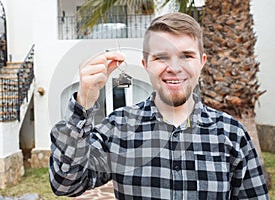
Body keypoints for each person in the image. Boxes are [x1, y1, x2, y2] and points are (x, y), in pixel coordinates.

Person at [49, 12, 269, 199]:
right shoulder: (119, 127)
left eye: (186, 56)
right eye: (161, 57)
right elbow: (66, 183)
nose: (174, 68)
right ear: (145, 65)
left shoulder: (232, 134)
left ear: (202, 62)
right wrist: (84, 102)